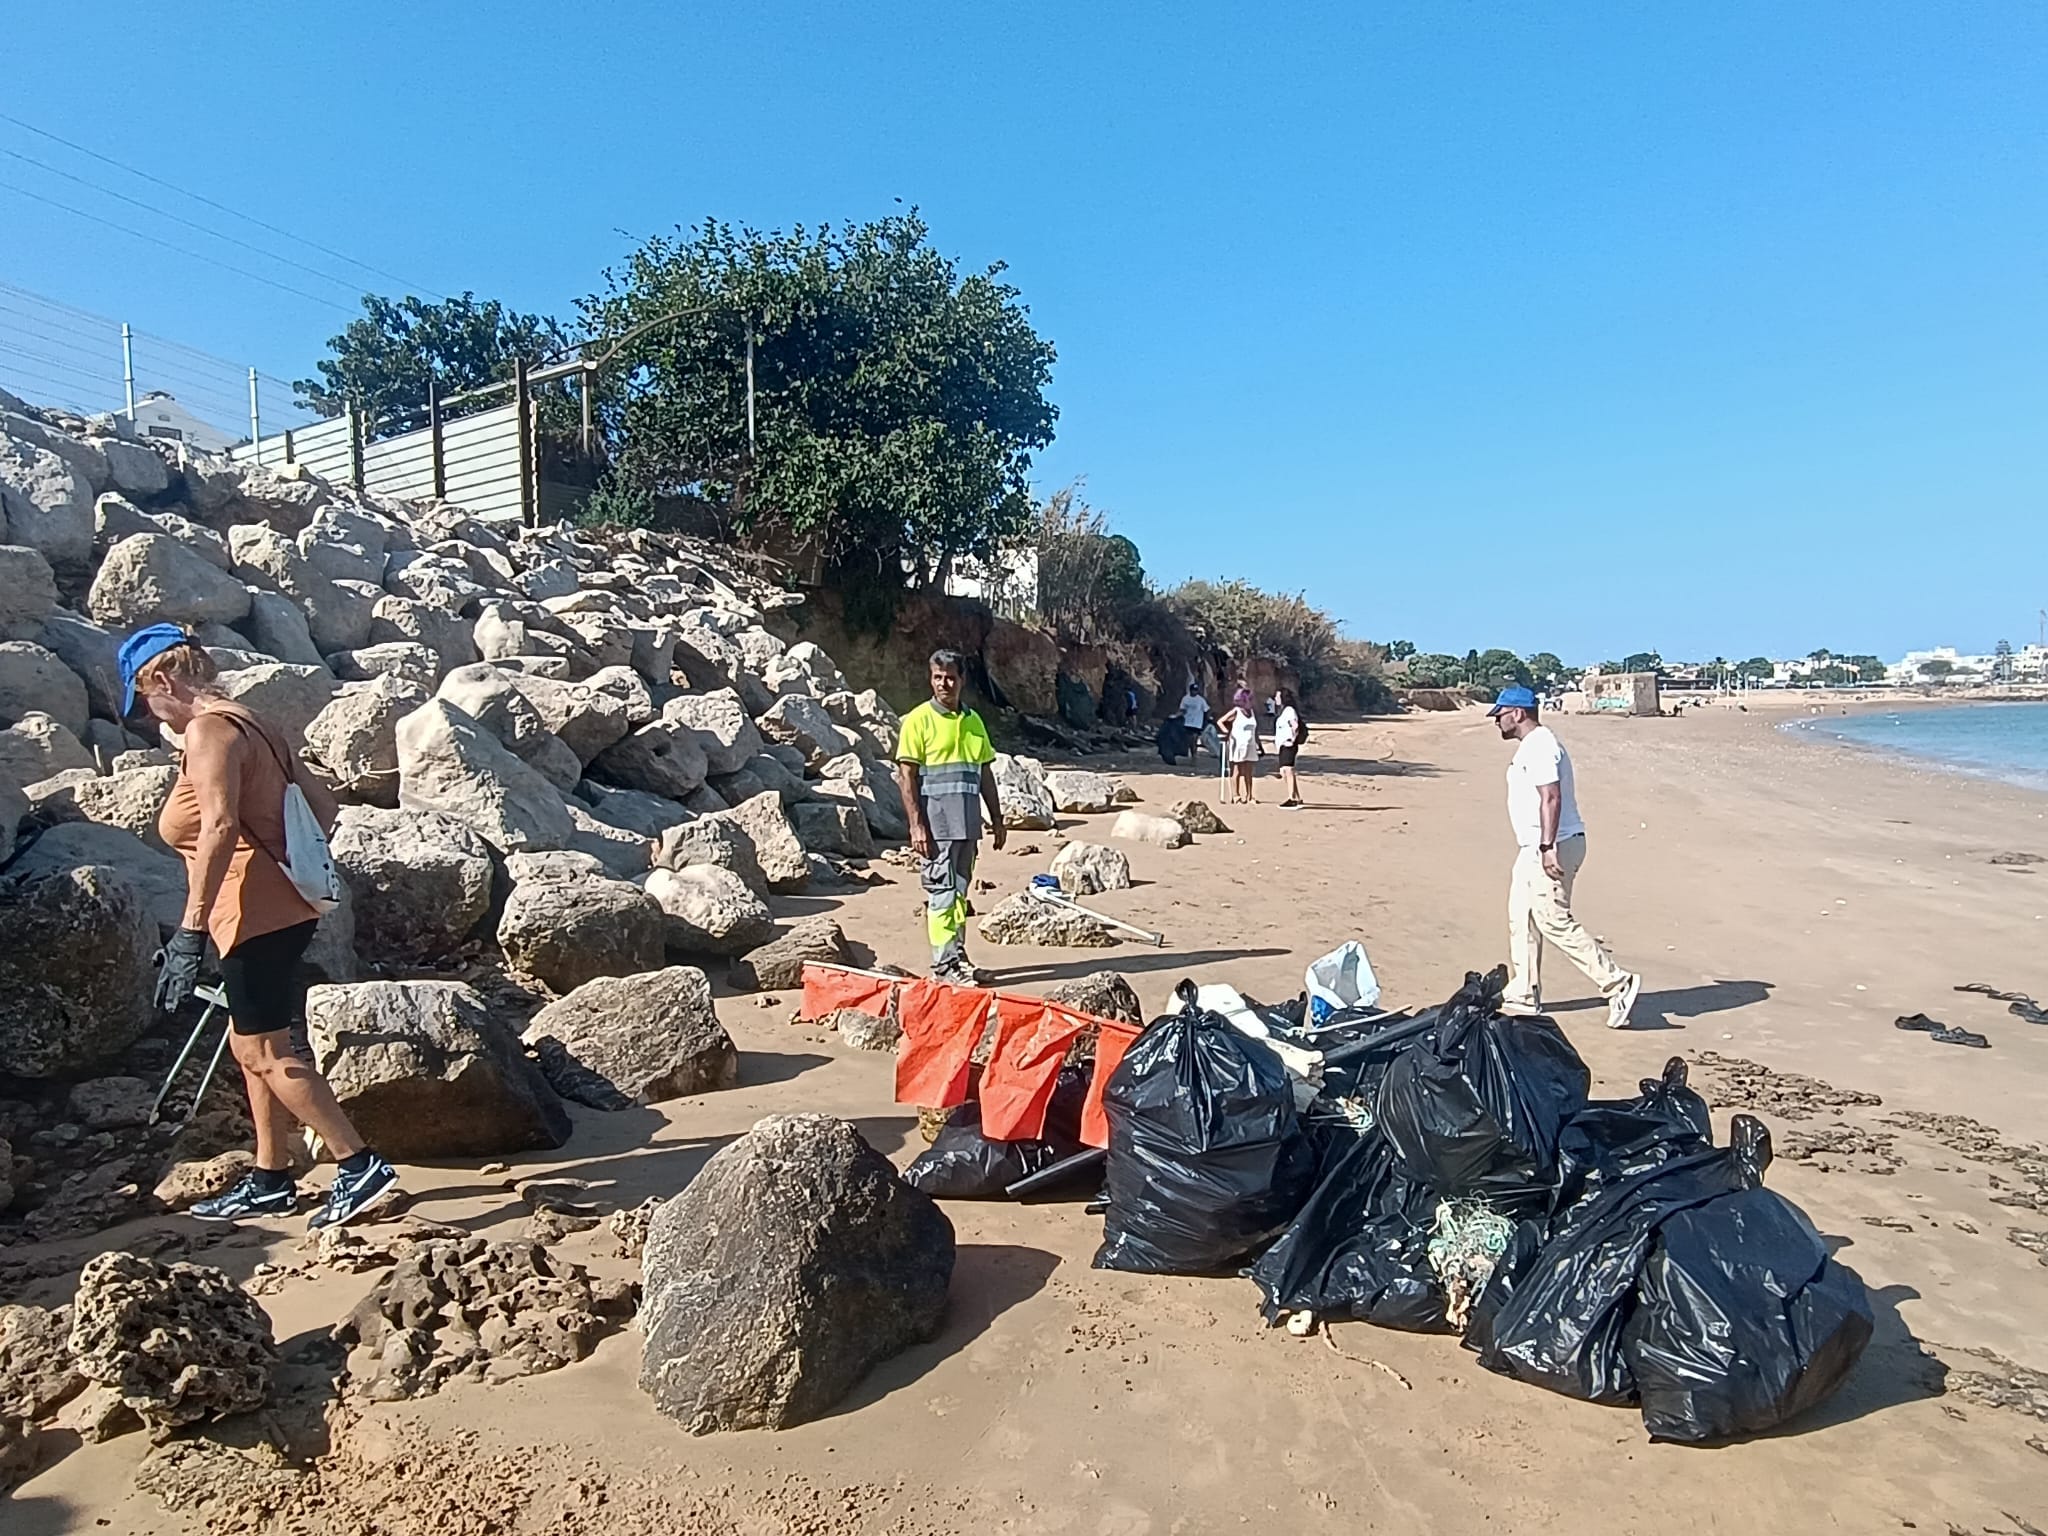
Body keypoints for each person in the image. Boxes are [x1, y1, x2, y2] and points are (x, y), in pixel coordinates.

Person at [120, 624, 400, 1227]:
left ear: (161, 680)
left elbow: (220, 827)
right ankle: (271, 1176)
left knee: (266, 1051)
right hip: (278, 907)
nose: (149, 716)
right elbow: (323, 808)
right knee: (248, 1046)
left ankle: (359, 1165)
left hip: (251, 912)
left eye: (143, 702)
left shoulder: (207, 731)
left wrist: (190, 932)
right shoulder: (252, 721)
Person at [1489, 685, 1641, 1028]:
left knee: (1552, 918)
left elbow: (1552, 797)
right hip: (1533, 846)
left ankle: (1617, 983)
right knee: (1522, 916)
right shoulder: (1532, 746)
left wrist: (1547, 847)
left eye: (1500, 714)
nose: (1496, 721)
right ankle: (1524, 990)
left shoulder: (1541, 745)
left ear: (1518, 713)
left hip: (1553, 844)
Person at [895, 650, 1006, 985]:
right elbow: (906, 777)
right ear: (931, 679)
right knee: (942, 894)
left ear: (962, 680)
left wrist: (997, 819)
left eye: (950, 677)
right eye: (938, 677)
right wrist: (916, 825)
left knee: (958, 894)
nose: (944, 684)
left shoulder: (973, 721)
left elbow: (985, 773)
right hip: (936, 826)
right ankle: (944, 966)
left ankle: (958, 957)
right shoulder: (918, 720)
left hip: (967, 825)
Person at [1219, 699, 1263, 804]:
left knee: (1249, 772)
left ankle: (1249, 796)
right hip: (1238, 745)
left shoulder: (1252, 712)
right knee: (1237, 771)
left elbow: (1254, 731)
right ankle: (1236, 796)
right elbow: (1220, 721)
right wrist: (1227, 732)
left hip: (1250, 745)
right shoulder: (1236, 711)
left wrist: (1259, 745)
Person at [1273, 687, 1305, 807]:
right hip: (1283, 745)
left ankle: (1292, 798)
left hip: (1288, 744)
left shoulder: (1289, 710)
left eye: (1277, 696)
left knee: (1288, 770)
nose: (1276, 699)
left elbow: (1295, 725)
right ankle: (1296, 797)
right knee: (1284, 770)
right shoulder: (1284, 711)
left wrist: (1292, 738)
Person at [1179, 682, 1210, 766]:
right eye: (1193, 690)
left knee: (1194, 739)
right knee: (1189, 740)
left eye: (1196, 690)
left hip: (1197, 723)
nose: (1194, 692)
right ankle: (1192, 753)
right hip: (1187, 722)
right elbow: (1182, 709)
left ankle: (1194, 756)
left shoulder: (1200, 700)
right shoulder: (1185, 699)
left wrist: (1206, 721)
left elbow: (1206, 710)